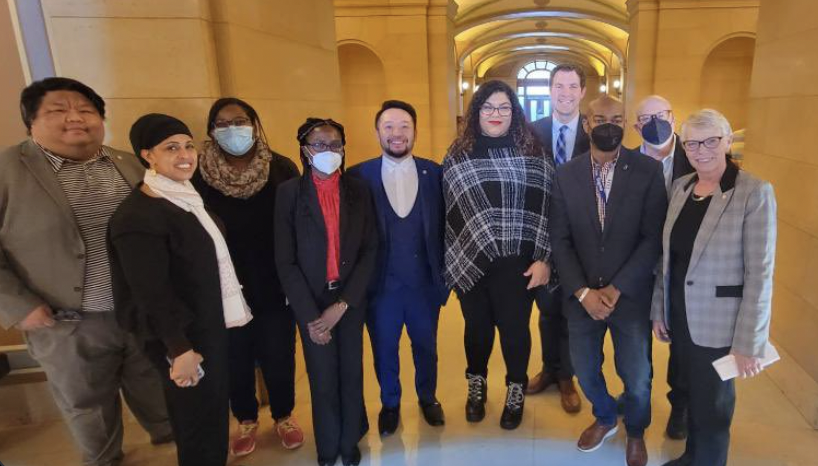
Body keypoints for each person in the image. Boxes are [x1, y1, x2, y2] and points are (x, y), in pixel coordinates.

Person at [0, 77, 171, 466]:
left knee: (155, 384)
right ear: (31, 121)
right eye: (58, 110)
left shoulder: (129, 163)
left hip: (137, 311)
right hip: (66, 321)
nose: (75, 118)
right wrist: (18, 306)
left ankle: (170, 438)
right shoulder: (8, 170)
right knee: (86, 404)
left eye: (86, 110)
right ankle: (104, 458)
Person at [109, 113, 252, 466]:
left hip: (206, 326)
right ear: (148, 155)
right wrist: (179, 349)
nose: (185, 155)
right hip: (182, 338)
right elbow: (150, 293)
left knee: (212, 412)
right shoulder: (138, 216)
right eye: (171, 148)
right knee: (195, 421)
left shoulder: (184, 198)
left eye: (188, 146)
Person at [652, 109, 776, 466]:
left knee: (714, 406)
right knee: (692, 393)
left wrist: (749, 343)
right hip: (680, 316)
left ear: (727, 141)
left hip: (721, 324)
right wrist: (659, 309)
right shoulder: (682, 187)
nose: (701, 150)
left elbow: (760, 273)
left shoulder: (753, 192)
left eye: (711, 141)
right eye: (692, 143)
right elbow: (667, 257)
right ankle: (692, 456)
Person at [550, 95, 667, 466]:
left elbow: (653, 238)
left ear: (626, 124)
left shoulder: (648, 171)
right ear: (587, 124)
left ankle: (636, 430)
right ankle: (604, 416)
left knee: (637, 375)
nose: (608, 126)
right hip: (581, 295)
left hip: (628, 296)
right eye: (600, 119)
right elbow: (560, 240)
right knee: (584, 369)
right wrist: (583, 292)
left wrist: (617, 288)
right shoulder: (565, 174)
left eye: (617, 119)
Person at [192, 97, 303, 456]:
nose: (232, 129)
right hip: (224, 285)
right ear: (211, 131)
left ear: (254, 125)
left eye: (239, 121)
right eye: (222, 124)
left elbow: (299, 224)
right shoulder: (198, 175)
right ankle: (245, 419)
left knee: (278, 353)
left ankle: (284, 415)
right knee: (234, 357)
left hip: (273, 280)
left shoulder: (281, 168)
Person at [443, 80, 553, 430]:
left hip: (518, 265)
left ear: (514, 113)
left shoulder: (535, 154)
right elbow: (447, 211)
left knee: (515, 331)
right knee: (476, 330)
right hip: (471, 261)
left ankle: (515, 390)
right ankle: (476, 386)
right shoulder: (457, 155)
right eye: (488, 107)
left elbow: (550, 210)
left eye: (504, 107)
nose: (496, 114)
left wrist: (545, 259)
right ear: (476, 112)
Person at [275, 118, 377, 466]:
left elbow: (370, 250)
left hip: (349, 300)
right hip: (311, 303)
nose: (328, 151)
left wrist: (343, 304)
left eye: (335, 145)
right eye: (319, 145)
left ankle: (349, 442)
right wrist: (311, 317)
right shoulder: (289, 194)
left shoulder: (358, 190)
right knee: (322, 379)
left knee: (351, 374)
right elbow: (285, 261)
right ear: (305, 151)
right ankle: (327, 446)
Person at [347, 100, 449, 435]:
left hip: (423, 284)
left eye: (405, 126)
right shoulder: (357, 176)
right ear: (377, 132)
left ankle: (428, 397)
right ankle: (390, 403)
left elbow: (446, 226)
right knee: (384, 348)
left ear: (415, 131)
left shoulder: (434, 173)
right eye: (388, 126)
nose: (397, 133)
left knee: (426, 346)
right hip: (380, 286)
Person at [526, 64, 589, 412]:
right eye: (559, 86)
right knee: (547, 310)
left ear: (582, 92)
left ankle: (567, 376)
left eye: (572, 86)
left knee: (572, 311)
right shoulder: (532, 133)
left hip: (582, 242)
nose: (566, 93)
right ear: (550, 91)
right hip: (541, 237)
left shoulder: (594, 133)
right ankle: (549, 369)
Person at [633, 94, 695, 440]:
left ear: (673, 117)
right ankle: (636, 396)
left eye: (661, 115)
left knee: (680, 341)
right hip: (639, 265)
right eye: (646, 118)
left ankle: (680, 404)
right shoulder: (626, 161)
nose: (654, 122)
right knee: (635, 338)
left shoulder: (696, 157)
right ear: (636, 126)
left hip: (682, 266)